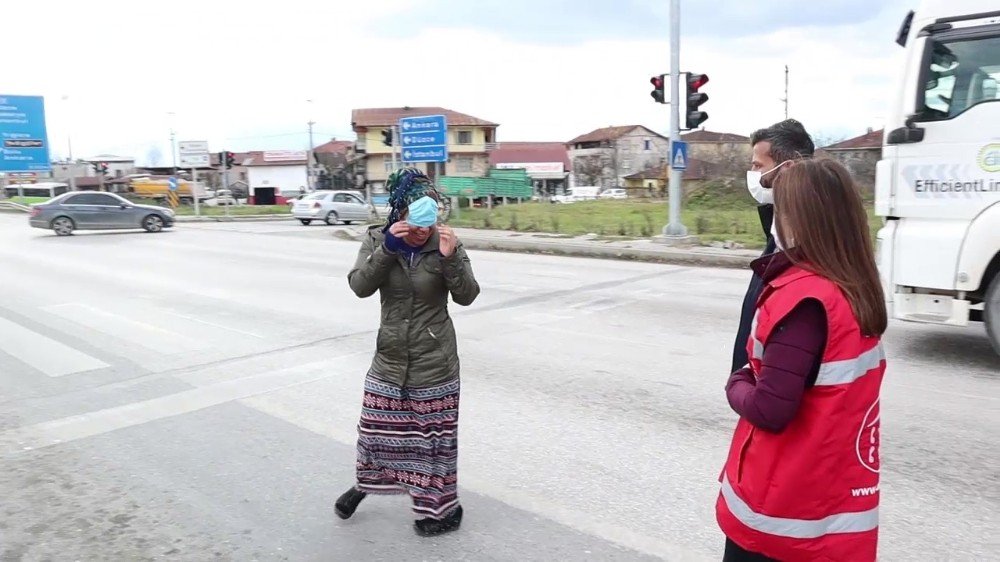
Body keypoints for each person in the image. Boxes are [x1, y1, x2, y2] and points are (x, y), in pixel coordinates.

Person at [716, 158, 888, 561]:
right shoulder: (853, 286)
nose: (775, 220)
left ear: (802, 220)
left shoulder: (805, 301)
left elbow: (770, 408)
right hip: (829, 500)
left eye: (781, 210)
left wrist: (736, 381)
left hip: (779, 516)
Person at [337, 168, 480, 536]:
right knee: (374, 433)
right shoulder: (377, 240)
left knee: (434, 446)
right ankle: (366, 485)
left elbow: (467, 295)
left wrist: (449, 259)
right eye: (414, 224)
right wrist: (388, 250)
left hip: (435, 364)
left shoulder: (446, 243)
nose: (421, 232)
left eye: (427, 224)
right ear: (399, 214)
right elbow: (359, 286)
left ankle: (442, 511)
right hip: (389, 360)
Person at [731, 120, 816, 374]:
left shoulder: (810, 242)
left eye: (758, 166)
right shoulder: (777, 225)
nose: (753, 173)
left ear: (788, 167)